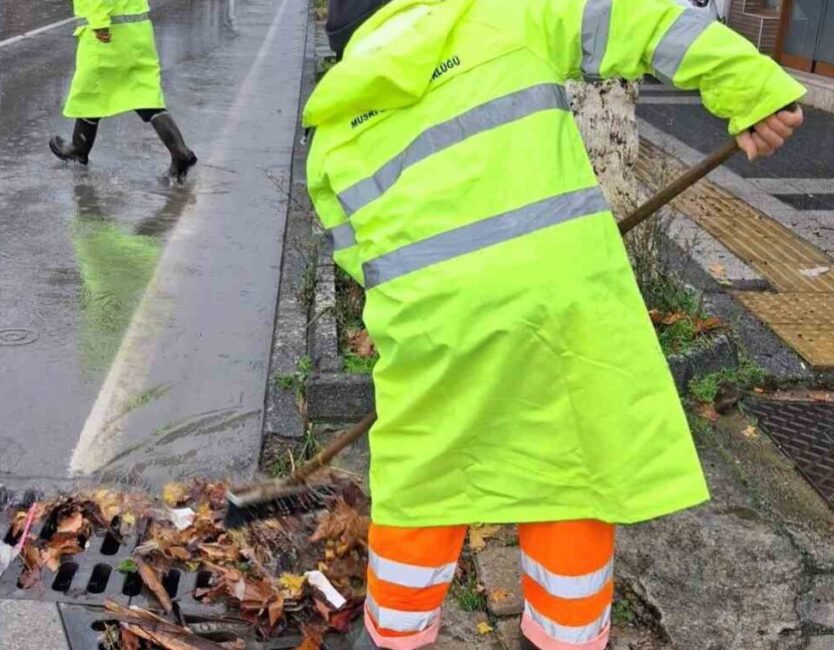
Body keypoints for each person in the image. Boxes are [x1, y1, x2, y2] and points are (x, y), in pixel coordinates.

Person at [302, 0, 805, 648]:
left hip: (433, 329)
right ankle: (565, 637)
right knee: (571, 468)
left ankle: (394, 636)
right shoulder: (503, 18)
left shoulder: (333, 128)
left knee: (423, 481)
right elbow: (644, 19)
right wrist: (753, 88)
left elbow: (357, 254)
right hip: (563, 307)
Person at [50, 0, 198, 181]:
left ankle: (79, 149)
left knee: (90, 90)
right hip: (137, 30)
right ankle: (178, 149)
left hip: (110, 33)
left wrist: (99, 22)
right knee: (144, 93)